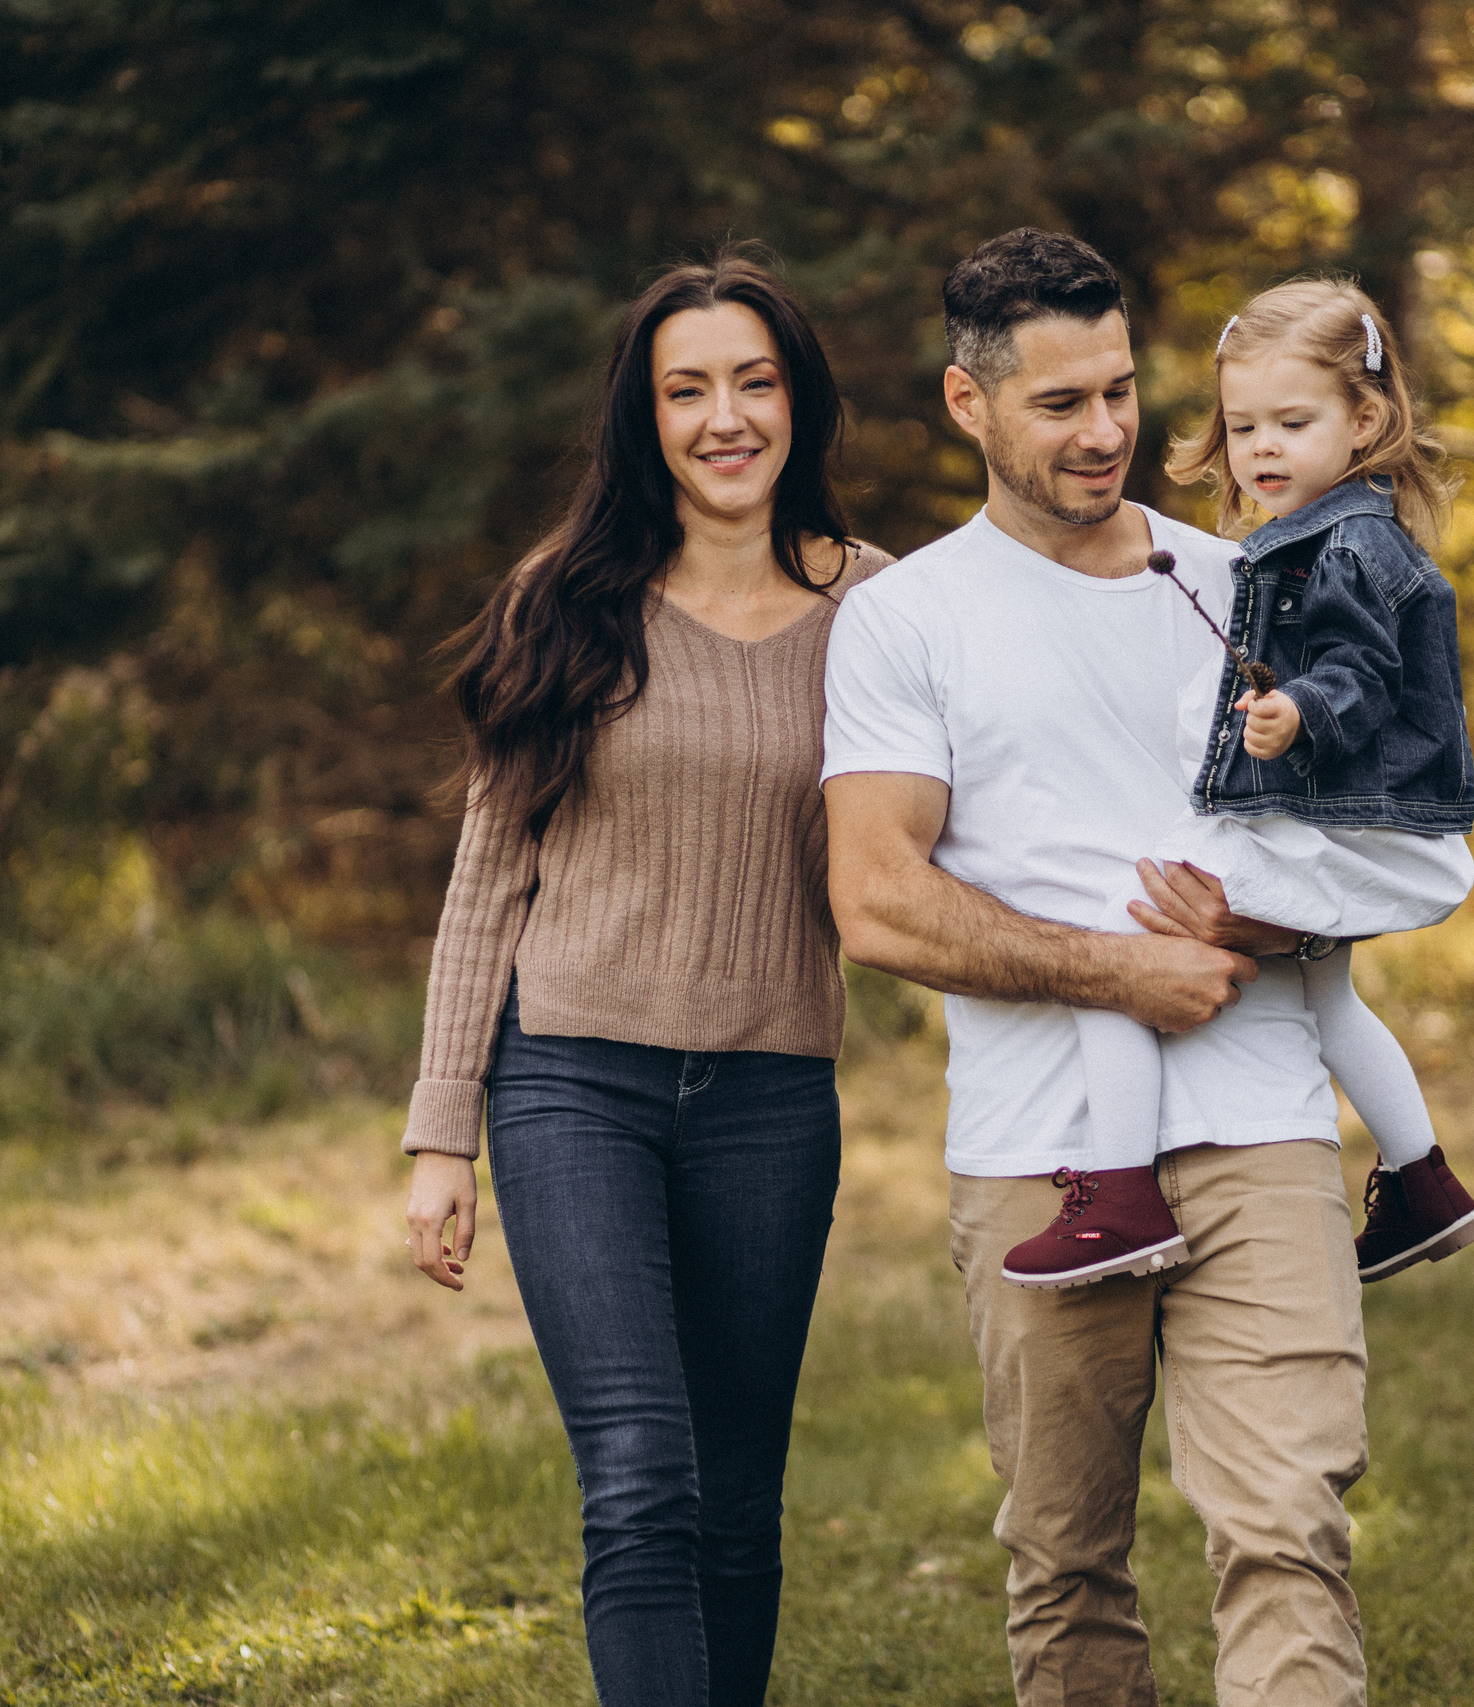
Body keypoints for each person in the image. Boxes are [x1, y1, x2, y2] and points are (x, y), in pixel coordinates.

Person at [821, 227, 1472, 1707]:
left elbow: (1405, 834)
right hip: (1042, 1154)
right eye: (1060, 403)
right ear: (966, 402)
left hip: (1263, 1120)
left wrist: (1262, 927)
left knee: (1290, 1528)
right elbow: (877, 901)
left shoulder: (1256, 577)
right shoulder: (907, 617)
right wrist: (1119, 971)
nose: (1107, 430)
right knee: (1066, 1562)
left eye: (1120, 388)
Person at [398, 247, 890, 1707]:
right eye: (688, 388)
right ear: (646, 415)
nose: (725, 416)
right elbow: (488, 876)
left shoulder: (885, 608)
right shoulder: (570, 598)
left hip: (772, 1094)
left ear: (797, 401)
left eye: (754, 381)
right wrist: (440, 1130)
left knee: (739, 1500)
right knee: (642, 1472)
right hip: (571, 1083)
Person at [998, 276, 1474, 1291]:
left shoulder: (1344, 545)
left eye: (1291, 422)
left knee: (1115, 937)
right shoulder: (1318, 536)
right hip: (1364, 822)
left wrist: (1297, 711)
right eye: (1242, 425)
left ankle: (1121, 1194)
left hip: (1338, 821)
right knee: (1327, 995)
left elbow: (1360, 672)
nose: (1261, 447)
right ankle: (1423, 1182)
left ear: (1364, 420)